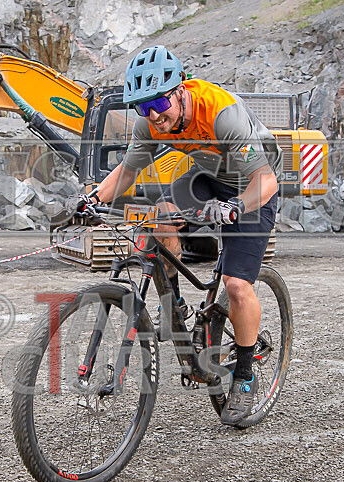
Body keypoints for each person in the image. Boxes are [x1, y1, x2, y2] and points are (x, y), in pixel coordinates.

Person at [82, 45, 281, 425]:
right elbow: (126, 172)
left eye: (159, 103)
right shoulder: (150, 123)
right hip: (206, 176)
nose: (154, 116)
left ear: (180, 90)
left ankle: (244, 374)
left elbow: (267, 179)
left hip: (253, 185)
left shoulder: (222, 114)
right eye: (143, 108)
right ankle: (173, 307)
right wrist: (89, 200)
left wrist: (236, 206)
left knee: (237, 285)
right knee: (159, 216)